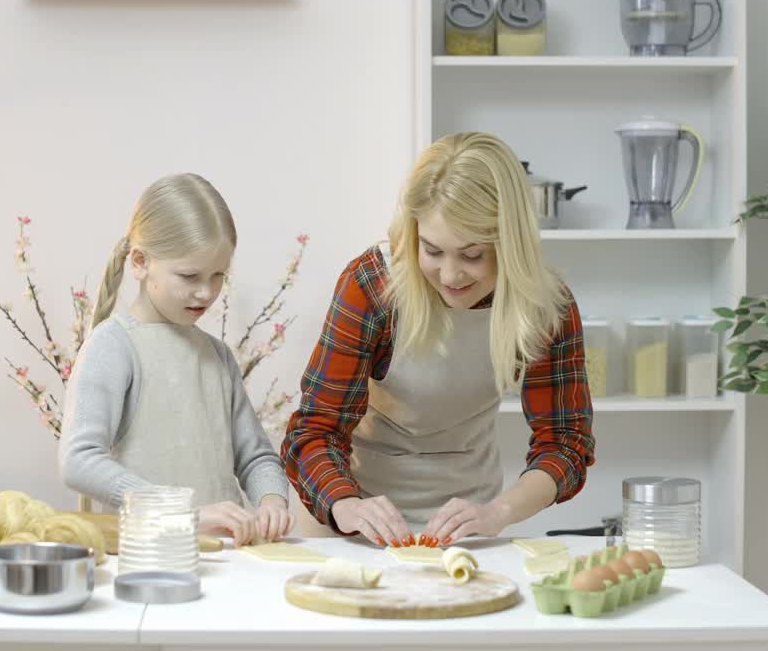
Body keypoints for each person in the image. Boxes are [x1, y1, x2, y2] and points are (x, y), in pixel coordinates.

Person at [281, 132, 595, 548]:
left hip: (470, 517)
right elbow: (315, 431)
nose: (450, 276)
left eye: (472, 255)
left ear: (510, 244)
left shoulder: (543, 306)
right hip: (352, 514)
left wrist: (499, 512)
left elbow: (566, 443)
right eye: (432, 251)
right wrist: (348, 505)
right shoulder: (373, 285)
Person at [60, 173, 292, 546]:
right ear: (139, 262)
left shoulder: (217, 356)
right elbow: (79, 461)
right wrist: (178, 513)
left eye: (218, 276)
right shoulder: (114, 346)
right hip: (148, 557)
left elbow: (257, 457)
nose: (205, 292)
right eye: (189, 275)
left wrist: (272, 502)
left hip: (226, 559)